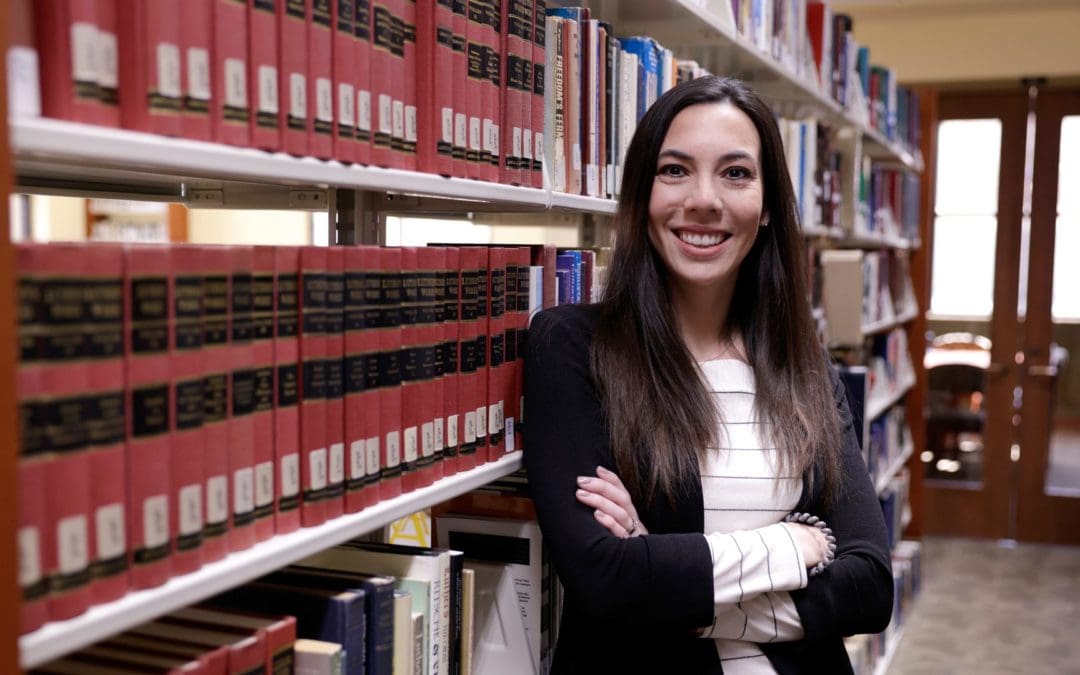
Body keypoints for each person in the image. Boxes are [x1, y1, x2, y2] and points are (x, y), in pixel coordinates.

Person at [523, 75, 893, 675]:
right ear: (641, 197)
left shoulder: (805, 366)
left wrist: (672, 579)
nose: (703, 199)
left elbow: (871, 585)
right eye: (674, 170)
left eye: (736, 173)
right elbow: (603, 578)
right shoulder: (572, 347)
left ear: (768, 205)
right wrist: (796, 544)